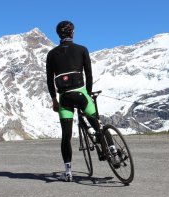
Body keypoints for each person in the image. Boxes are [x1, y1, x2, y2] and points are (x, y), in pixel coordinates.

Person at [46, 20, 119, 182]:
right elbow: (89, 75)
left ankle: (68, 171)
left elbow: (49, 81)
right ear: (72, 32)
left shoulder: (51, 54)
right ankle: (113, 153)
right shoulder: (82, 49)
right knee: (98, 126)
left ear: (58, 34)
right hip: (81, 94)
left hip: (64, 97)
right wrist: (89, 93)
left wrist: (54, 100)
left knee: (66, 136)